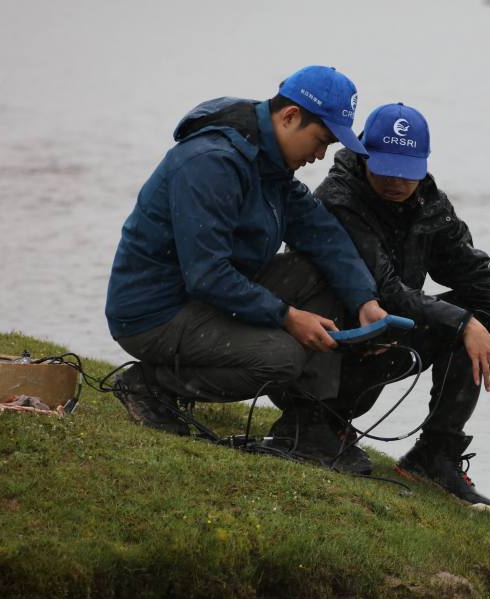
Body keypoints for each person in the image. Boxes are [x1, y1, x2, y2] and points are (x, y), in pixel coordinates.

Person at [104, 66, 387, 474]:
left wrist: (365, 300)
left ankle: (310, 424)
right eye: (321, 141)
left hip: (206, 297)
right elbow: (207, 274)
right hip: (154, 314)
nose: (322, 155)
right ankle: (148, 385)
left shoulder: (270, 163)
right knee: (282, 358)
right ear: (290, 116)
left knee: (320, 271)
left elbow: (322, 232)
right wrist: (287, 317)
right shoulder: (212, 162)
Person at [315, 103, 490, 506]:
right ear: (365, 153)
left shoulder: (428, 204)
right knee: (467, 322)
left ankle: (435, 455)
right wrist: (465, 325)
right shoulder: (338, 199)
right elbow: (384, 291)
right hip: (327, 344)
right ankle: (318, 424)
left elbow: (476, 275)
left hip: (385, 336)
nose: (397, 181)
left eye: (408, 171)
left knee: (482, 313)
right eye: (386, 167)